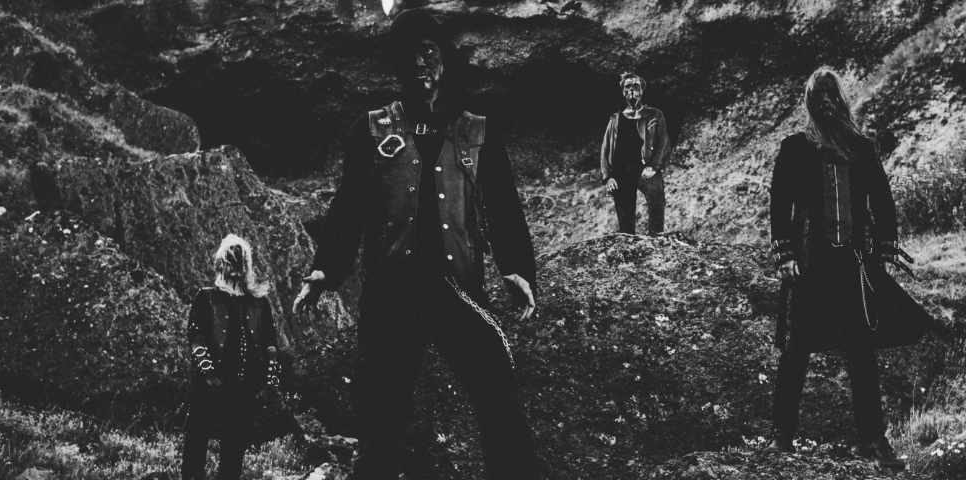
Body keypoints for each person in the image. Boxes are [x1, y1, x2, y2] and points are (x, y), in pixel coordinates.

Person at [292, 9, 541, 480]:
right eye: (410, 55)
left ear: (445, 59)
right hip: (392, 288)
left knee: (496, 387)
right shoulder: (372, 127)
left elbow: (503, 204)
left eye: (428, 52)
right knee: (381, 408)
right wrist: (326, 269)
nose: (420, 63)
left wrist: (517, 267)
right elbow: (349, 204)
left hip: (456, 287)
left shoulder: (476, 130)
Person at [767, 67, 932, 470]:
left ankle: (873, 441)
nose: (825, 102)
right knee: (796, 350)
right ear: (811, 102)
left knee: (861, 350)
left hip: (854, 266)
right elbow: (780, 202)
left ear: (840, 100)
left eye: (831, 94)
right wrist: (785, 254)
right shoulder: (796, 148)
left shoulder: (860, 148)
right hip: (809, 264)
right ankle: (781, 439)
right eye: (818, 95)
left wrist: (887, 248)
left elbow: (882, 199)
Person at [182, 234, 284, 480]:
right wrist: (209, 374)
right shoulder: (207, 298)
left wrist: (270, 383)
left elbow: (271, 346)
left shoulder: (259, 304)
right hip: (212, 386)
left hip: (242, 387)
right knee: (199, 441)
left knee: (231, 449)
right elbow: (197, 340)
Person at [599, 72, 670, 235]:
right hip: (621, 172)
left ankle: (656, 239)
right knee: (625, 223)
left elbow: (663, 142)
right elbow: (605, 149)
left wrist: (654, 166)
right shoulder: (615, 119)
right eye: (628, 86)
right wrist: (608, 177)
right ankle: (629, 243)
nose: (632, 90)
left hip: (646, 168)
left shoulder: (655, 115)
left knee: (656, 199)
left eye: (636, 86)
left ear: (642, 90)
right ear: (623, 92)